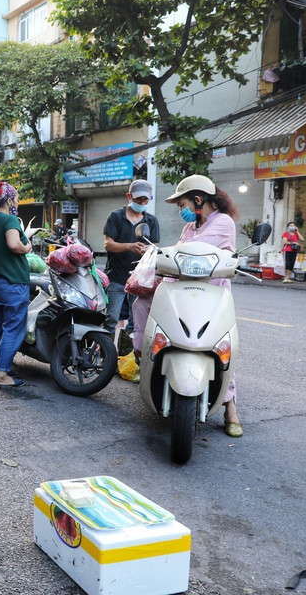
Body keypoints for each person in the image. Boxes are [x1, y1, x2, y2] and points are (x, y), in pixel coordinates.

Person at [130, 174, 243, 437]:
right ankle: (143, 355)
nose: (182, 211)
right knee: (142, 302)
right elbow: (180, 250)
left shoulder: (223, 223)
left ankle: (230, 408)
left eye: (182, 205)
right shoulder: (190, 227)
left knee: (222, 345)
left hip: (212, 294)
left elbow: (189, 250)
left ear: (197, 199)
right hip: (182, 288)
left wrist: (161, 253)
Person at [0, 182, 33, 388]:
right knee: (13, 328)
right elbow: (13, 244)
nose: (18, 203)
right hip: (13, 283)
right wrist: (27, 246)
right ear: (10, 200)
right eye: (17, 199)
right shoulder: (10, 219)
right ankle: (2, 375)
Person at [102, 179, 160, 334]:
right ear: (129, 196)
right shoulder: (115, 216)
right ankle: (105, 354)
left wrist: (147, 250)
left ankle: (129, 354)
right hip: (117, 276)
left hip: (141, 278)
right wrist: (129, 246)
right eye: (138, 199)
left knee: (136, 323)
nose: (141, 202)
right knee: (111, 319)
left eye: (145, 199)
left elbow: (153, 247)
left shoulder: (152, 220)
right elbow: (108, 244)